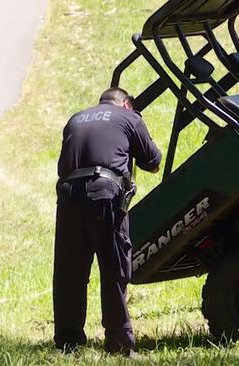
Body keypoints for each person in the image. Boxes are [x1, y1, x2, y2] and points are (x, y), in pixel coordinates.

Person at [53, 87, 162, 356]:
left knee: (69, 272)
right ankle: (119, 344)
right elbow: (154, 161)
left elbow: (62, 166)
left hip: (68, 195)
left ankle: (68, 343)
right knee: (114, 269)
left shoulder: (76, 118)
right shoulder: (128, 117)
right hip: (104, 194)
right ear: (126, 104)